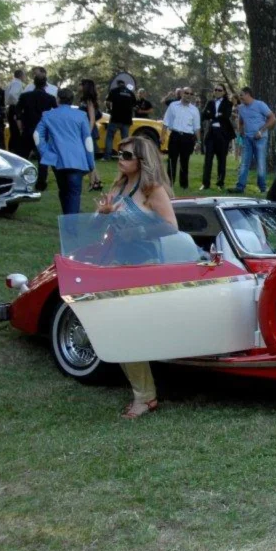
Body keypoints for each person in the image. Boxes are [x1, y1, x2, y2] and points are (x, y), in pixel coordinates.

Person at [94, 135, 176, 419]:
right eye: (119, 153)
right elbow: (99, 225)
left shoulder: (153, 188)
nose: (121, 159)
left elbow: (171, 226)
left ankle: (145, 396)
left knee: (126, 327)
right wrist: (103, 214)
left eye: (127, 155)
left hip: (145, 265)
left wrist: (138, 231)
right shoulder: (118, 186)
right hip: (116, 263)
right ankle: (144, 392)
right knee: (112, 326)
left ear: (142, 160)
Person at [35, 88, 95, 215]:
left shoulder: (48, 115)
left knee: (63, 190)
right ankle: (71, 222)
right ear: (72, 100)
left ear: (58, 99)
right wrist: (91, 163)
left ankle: (67, 219)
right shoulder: (81, 115)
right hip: (78, 160)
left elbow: (37, 135)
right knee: (74, 193)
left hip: (57, 160)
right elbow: (87, 141)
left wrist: (46, 153)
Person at [229, 86, 276, 194]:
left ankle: (263, 188)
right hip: (247, 139)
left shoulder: (260, 105)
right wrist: (241, 131)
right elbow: (241, 121)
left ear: (248, 94)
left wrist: (261, 131)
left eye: (241, 95)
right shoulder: (241, 108)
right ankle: (240, 187)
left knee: (260, 163)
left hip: (260, 138)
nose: (240, 97)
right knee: (244, 163)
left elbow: (272, 118)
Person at [16, 71, 58, 188]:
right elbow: (56, 112)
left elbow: (17, 111)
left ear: (34, 83)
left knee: (22, 157)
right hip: (42, 131)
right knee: (42, 158)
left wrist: (20, 124)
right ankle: (41, 182)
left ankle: (18, 179)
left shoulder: (25, 96)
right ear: (45, 85)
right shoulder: (50, 98)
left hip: (28, 129)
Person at [163, 86, 201, 188]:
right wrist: (162, 136)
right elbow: (166, 121)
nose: (188, 95)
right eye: (186, 93)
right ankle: (169, 184)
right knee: (172, 160)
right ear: (181, 94)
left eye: (191, 94)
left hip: (188, 138)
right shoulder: (173, 106)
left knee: (185, 161)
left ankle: (184, 185)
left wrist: (199, 142)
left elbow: (197, 127)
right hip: (175, 135)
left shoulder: (194, 110)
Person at [200, 83, 235, 190]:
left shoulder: (228, 103)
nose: (217, 91)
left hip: (222, 134)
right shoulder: (210, 102)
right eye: (215, 89)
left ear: (224, 92)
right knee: (208, 159)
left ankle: (220, 183)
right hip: (211, 134)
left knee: (222, 160)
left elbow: (226, 115)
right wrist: (217, 114)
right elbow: (204, 115)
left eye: (220, 90)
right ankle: (205, 184)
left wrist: (212, 115)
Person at [78, 79, 103, 191]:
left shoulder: (89, 100)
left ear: (85, 86)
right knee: (89, 158)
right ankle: (97, 182)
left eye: (81, 84)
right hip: (86, 131)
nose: (79, 86)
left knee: (88, 158)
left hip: (88, 132)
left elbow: (92, 119)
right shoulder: (84, 100)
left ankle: (92, 182)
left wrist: (87, 133)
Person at [104, 79, 135, 160]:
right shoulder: (131, 93)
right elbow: (134, 105)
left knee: (110, 137)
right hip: (127, 120)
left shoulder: (114, 91)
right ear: (124, 84)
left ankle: (107, 157)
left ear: (118, 84)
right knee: (125, 139)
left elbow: (107, 102)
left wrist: (109, 109)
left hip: (115, 118)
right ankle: (125, 157)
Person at [4, 70, 26, 154]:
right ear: (21, 76)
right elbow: (12, 94)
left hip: (10, 108)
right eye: (24, 75)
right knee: (16, 130)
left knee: (13, 130)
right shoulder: (17, 83)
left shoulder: (10, 83)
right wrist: (19, 104)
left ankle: (12, 149)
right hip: (15, 108)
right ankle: (16, 150)